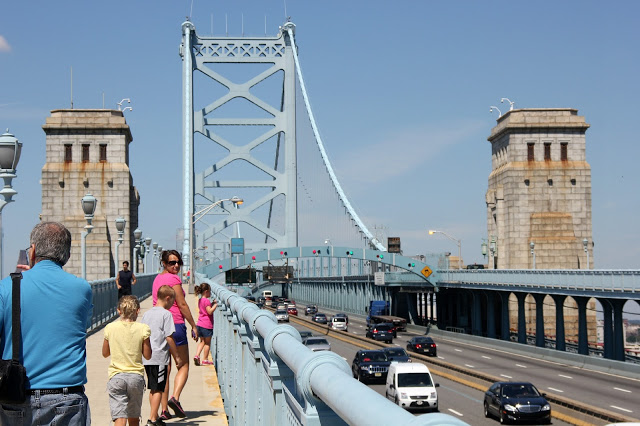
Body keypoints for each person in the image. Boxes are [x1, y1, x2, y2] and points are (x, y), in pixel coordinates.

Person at [0, 221, 93, 425]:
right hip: (68, 399)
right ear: (66, 256)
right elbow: (82, 324)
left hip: (17, 397)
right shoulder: (82, 289)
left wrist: (23, 277)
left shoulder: (6, 288)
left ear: (32, 251)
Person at [152, 250, 198, 420]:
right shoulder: (174, 279)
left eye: (178, 262)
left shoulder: (157, 279)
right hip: (175, 325)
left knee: (165, 368)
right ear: (164, 263)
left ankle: (164, 410)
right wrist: (194, 325)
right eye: (172, 263)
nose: (176, 265)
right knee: (183, 365)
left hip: (158, 326)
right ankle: (175, 398)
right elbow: (182, 304)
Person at [102, 295, 152, 426]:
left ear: (118, 310)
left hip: (116, 377)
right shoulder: (143, 329)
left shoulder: (110, 328)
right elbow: (147, 355)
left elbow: (105, 353)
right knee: (134, 418)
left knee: (120, 417)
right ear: (137, 311)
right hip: (136, 377)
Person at [141, 285, 184, 426]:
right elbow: (169, 337)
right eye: (173, 301)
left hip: (147, 357)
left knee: (153, 388)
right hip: (159, 357)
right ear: (168, 298)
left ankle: (154, 417)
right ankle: (152, 419)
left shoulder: (147, 314)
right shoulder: (166, 314)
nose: (173, 304)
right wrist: (177, 356)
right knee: (159, 388)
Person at [193, 283, 217, 366]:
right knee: (207, 343)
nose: (210, 293)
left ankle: (197, 355)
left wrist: (212, 304)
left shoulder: (200, 300)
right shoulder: (206, 300)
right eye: (209, 292)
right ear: (206, 291)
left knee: (202, 342)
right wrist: (216, 305)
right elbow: (209, 311)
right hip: (207, 325)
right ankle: (205, 359)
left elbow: (205, 309)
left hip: (200, 324)